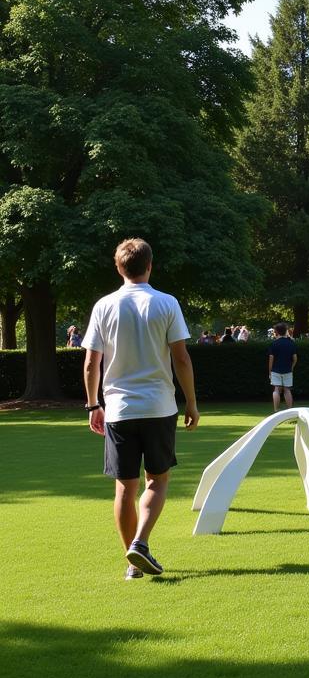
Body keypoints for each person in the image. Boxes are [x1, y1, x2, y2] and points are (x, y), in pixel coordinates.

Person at [82, 238, 199, 580]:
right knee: (158, 480)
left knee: (124, 488)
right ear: (150, 265)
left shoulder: (104, 306)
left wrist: (93, 405)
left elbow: (92, 363)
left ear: (119, 267)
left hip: (118, 409)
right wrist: (191, 401)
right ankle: (141, 544)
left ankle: (132, 563)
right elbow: (181, 357)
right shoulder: (166, 303)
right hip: (159, 406)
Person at [269, 321, 298, 409]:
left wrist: (270, 371)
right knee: (287, 390)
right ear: (286, 330)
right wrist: (292, 367)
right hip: (288, 370)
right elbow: (295, 358)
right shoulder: (291, 343)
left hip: (275, 370)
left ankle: (276, 410)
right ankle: (290, 410)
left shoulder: (274, 343)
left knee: (276, 390)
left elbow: (271, 359)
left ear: (276, 332)